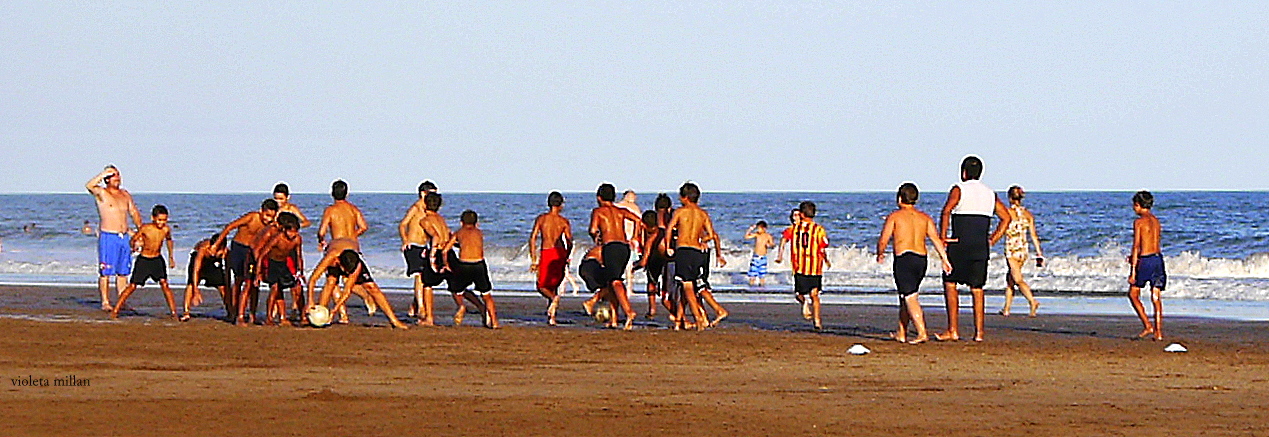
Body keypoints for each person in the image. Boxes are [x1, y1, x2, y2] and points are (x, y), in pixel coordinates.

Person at [938, 156, 1012, 342]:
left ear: (964, 173)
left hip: (959, 242)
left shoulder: (959, 189)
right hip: (980, 244)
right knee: (977, 288)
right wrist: (992, 239)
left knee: (950, 283)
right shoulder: (989, 193)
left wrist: (943, 236)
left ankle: (953, 329)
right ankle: (979, 332)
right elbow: (1006, 218)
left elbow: (947, 210)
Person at [877, 183, 953, 344]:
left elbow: (884, 239)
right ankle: (901, 332)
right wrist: (944, 259)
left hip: (904, 259)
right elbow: (936, 240)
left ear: (899, 198)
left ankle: (921, 332)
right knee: (906, 295)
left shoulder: (895, 217)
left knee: (910, 297)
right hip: (920, 260)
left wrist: (880, 253)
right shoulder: (924, 218)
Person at [666, 182, 727, 331]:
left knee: (687, 286)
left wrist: (668, 247)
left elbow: (669, 229)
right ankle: (697, 315)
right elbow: (711, 235)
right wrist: (700, 240)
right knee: (696, 285)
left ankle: (697, 316)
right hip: (697, 252)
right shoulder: (703, 213)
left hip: (684, 250)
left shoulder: (680, 212)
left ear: (685, 197)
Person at [308, 241, 410, 329]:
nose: (347, 274)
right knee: (331, 282)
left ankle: (394, 320)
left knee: (372, 287)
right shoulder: (330, 258)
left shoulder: (357, 265)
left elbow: (347, 290)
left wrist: (334, 310)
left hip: (351, 253)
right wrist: (310, 301)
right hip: (335, 251)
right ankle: (320, 314)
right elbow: (312, 280)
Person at [212, 199, 279, 325]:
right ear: (261, 211)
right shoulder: (252, 217)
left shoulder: (271, 225)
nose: (269, 219)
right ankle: (235, 312)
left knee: (253, 283)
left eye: (272, 216)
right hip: (239, 247)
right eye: (267, 215)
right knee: (238, 280)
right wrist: (216, 244)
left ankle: (252, 313)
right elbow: (229, 227)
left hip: (253, 252)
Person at [86, 165, 143, 312]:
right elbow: (89, 185)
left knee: (123, 272)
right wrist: (104, 173)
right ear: (107, 179)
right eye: (113, 175)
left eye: (118, 175)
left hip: (124, 236)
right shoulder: (102, 193)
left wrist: (140, 233)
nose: (117, 178)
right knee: (106, 272)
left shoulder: (125, 194)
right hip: (108, 236)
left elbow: (134, 212)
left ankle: (121, 300)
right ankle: (105, 301)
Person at [588, 183, 644, 330]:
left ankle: (629, 311)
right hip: (624, 247)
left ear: (599, 198)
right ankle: (614, 318)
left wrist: (596, 237)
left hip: (611, 247)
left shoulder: (598, 211)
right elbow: (639, 220)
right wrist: (635, 237)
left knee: (615, 281)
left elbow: (593, 229)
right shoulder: (620, 210)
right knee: (612, 282)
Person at [317, 179, 375, 320]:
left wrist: (321, 240)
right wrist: (352, 235)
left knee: (332, 281)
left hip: (337, 248)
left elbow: (322, 231)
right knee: (349, 280)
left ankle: (341, 314)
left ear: (332, 194)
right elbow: (364, 226)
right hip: (352, 248)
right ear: (347, 194)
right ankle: (366, 297)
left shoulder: (330, 210)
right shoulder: (353, 209)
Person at [110, 205, 178, 320]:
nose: (162, 223)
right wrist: (134, 247)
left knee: (165, 284)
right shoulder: (146, 228)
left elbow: (169, 240)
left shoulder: (166, 229)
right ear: (153, 218)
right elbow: (134, 239)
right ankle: (116, 309)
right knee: (132, 286)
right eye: (159, 220)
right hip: (144, 260)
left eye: (164, 220)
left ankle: (174, 312)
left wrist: (171, 257)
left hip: (157, 260)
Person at [439, 210, 499, 329]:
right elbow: (471, 243)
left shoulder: (458, 233)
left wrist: (446, 264)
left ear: (461, 222)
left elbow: (445, 250)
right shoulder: (479, 233)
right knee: (486, 295)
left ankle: (461, 306)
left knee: (456, 290)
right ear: (477, 223)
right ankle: (494, 321)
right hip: (479, 264)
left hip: (464, 265)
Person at [529, 191, 573, 325]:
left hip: (547, 251)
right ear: (560, 205)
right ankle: (552, 317)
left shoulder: (542, 219)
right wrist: (567, 255)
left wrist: (534, 259)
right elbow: (570, 241)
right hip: (559, 252)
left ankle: (553, 299)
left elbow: (533, 238)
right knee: (553, 284)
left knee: (542, 285)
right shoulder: (563, 221)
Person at [999, 185, 1044, 317]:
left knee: (1017, 279)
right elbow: (1033, 236)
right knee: (1010, 280)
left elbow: (1001, 230)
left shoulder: (1007, 213)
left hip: (1012, 250)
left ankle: (1032, 301)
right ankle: (1006, 308)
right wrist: (1039, 253)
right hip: (1023, 250)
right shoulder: (1027, 214)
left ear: (1009, 198)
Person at [399, 180, 440, 324]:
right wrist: (405, 240)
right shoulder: (416, 208)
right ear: (423, 193)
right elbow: (403, 224)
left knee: (424, 276)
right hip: (413, 245)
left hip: (424, 246)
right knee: (419, 276)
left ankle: (414, 306)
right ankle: (421, 308)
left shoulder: (431, 209)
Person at [1128, 191, 1166, 340]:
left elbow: (1137, 246)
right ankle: (1158, 332)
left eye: (1134, 205)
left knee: (1133, 294)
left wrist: (1133, 271)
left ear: (1138, 205)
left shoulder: (1139, 222)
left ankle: (1147, 325)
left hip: (1145, 260)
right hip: (1158, 259)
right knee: (1156, 297)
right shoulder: (1156, 221)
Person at [255, 212, 304, 326]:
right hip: (272, 264)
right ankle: (269, 318)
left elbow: (299, 256)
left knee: (297, 288)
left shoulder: (297, 239)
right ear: (284, 230)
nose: (292, 234)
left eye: (295, 231)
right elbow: (262, 254)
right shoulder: (277, 238)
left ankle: (303, 316)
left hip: (284, 264)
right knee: (275, 289)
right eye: (290, 231)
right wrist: (258, 273)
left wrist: (300, 272)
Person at [787, 201, 829, 330]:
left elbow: (785, 237)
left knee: (799, 294)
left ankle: (805, 303)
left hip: (800, 266)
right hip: (815, 267)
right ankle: (817, 321)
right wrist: (826, 259)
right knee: (815, 294)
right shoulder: (819, 229)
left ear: (801, 213)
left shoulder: (794, 229)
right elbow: (823, 245)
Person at [181, 232, 229, 321]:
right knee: (191, 285)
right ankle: (186, 312)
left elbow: (227, 271)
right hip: (198, 260)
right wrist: (196, 291)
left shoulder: (225, 251)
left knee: (222, 286)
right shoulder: (203, 249)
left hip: (213, 263)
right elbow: (196, 270)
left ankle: (230, 311)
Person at [635, 210, 667, 319]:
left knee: (651, 283)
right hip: (666, 261)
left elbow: (643, 261)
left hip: (654, 261)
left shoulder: (649, 238)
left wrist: (634, 267)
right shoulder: (664, 232)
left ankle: (652, 308)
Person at [744, 221, 775, 286]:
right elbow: (746, 236)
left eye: (759, 228)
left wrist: (769, 245)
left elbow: (772, 244)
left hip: (763, 257)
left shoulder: (768, 236)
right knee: (752, 274)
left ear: (764, 228)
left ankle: (762, 286)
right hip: (756, 256)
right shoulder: (757, 234)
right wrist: (750, 229)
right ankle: (751, 285)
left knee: (762, 274)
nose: (758, 230)